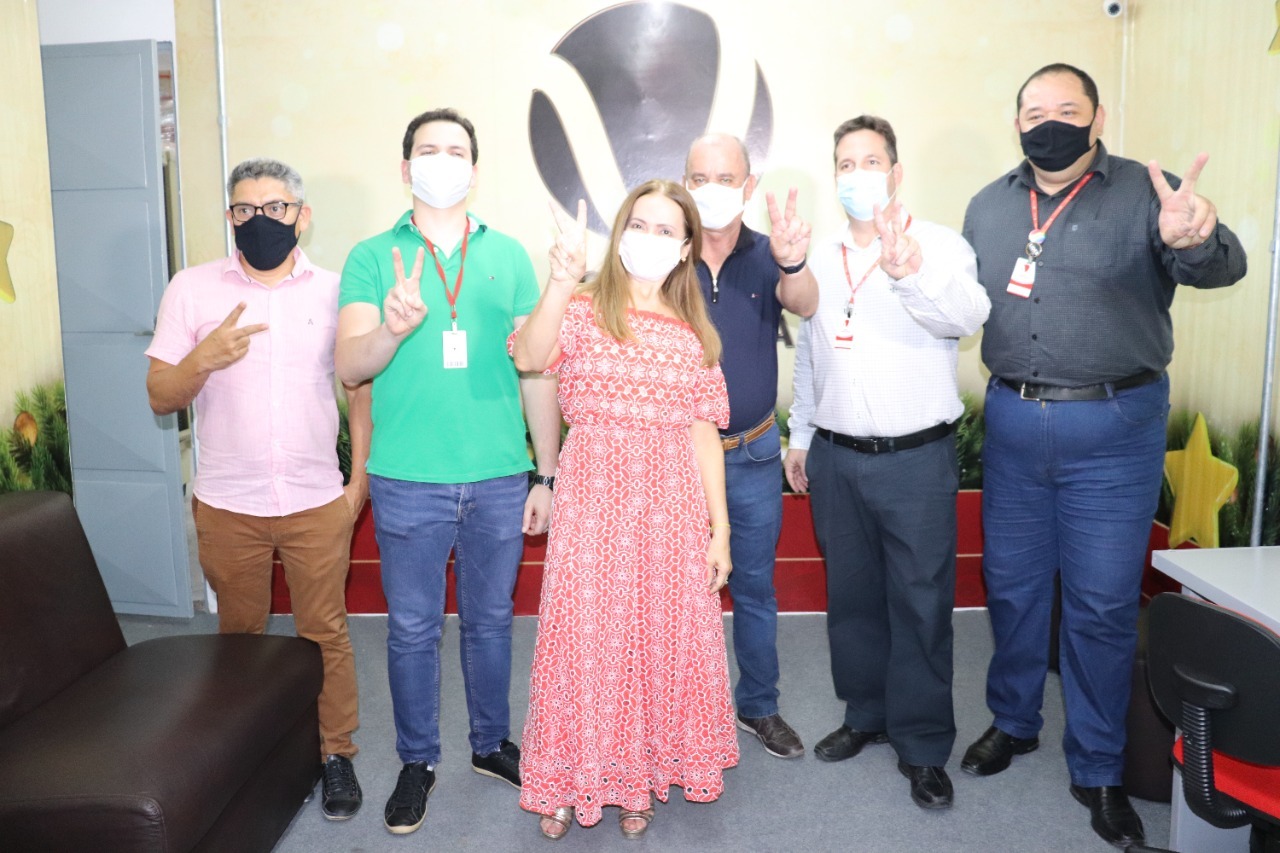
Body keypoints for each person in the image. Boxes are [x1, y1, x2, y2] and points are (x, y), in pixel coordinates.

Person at [959, 63, 1247, 847]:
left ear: (1097, 117)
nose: (1049, 122)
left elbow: (1219, 265)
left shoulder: (1149, 196)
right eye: (1033, 111)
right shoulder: (987, 205)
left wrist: (1199, 238)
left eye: (1067, 108)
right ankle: (1014, 721)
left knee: (1102, 604)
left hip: (1115, 428)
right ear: (1016, 122)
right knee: (1013, 586)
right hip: (1014, 422)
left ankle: (1097, 765)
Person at [334, 108, 561, 836]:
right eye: (428, 150)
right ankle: (417, 760)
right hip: (408, 479)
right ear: (406, 169)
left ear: (474, 167)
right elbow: (350, 365)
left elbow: (537, 369)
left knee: (491, 621)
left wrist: (546, 475)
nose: (442, 160)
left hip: (499, 476)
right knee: (411, 629)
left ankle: (490, 744)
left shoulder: (509, 255)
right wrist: (392, 329)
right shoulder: (372, 257)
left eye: (455, 150)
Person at [145, 157, 372, 822]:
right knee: (239, 637)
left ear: (302, 216)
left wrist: (357, 481)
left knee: (324, 632)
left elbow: (358, 392)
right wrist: (202, 358)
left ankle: (336, 753)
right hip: (227, 504)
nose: (259, 220)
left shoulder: (336, 292)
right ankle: (248, 754)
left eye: (275, 208)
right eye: (245, 209)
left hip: (315, 499)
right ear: (230, 217)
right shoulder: (191, 289)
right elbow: (160, 393)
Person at [511, 180, 739, 840]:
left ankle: (637, 778)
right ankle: (568, 779)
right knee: (584, 641)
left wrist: (719, 529)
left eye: (666, 230)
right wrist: (560, 281)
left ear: (686, 248)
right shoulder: (583, 307)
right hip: (593, 501)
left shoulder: (694, 333)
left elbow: (703, 431)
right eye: (639, 224)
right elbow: (529, 357)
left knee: (655, 640)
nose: (649, 238)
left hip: (669, 507)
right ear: (619, 232)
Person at [784, 116, 991, 811]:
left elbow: (967, 318)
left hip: (915, 461)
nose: (857, 174)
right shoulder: (818, 256)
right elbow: (811, 354)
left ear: (896, 173)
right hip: (836, 459)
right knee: (853, 600)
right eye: (846, 164)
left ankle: (924, 745)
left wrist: (911, 273)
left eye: (871, 161)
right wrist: (801, 436)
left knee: (922, 605)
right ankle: (866, 714)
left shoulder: (937, 245)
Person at [682, 133, 819, 759]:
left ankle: (759, 705)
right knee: (679, 590)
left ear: (748, 186)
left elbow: (806, 303)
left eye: (725, 178)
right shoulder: (662, 259)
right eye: (699, 178)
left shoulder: (771, 253)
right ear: (684, 184)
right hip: (679, 458)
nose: (711, 189)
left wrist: (793, 263)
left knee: (756, 588)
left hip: (755, 452)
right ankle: (682, 713)